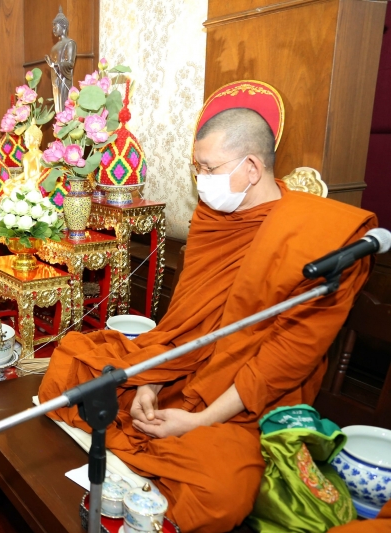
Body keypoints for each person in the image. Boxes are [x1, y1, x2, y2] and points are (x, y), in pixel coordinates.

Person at [38, 108, 378, 532]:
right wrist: (152, 378)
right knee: (70, 363)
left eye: (208, 168)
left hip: (245, 399)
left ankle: (152, 466)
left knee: (221, 491)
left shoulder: (322, 238)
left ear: (251, 167)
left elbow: (283, 361)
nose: (200, 179)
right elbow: (184, 319)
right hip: (182, 367)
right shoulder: (214, 217)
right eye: (196, 168)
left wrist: (200, 420)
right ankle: (146, 448)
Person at [44, 6, 76, 113]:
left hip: (64, 79)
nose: (53, 29)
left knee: (65, 108)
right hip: (55, 80)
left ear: (64, 27)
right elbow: (54, 64)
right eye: (52, 27)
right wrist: (52, 64)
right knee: (58, 108)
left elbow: (70, 63)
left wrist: (55, 65)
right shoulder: (54, 47)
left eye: (55, 26)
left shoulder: (70, 43)